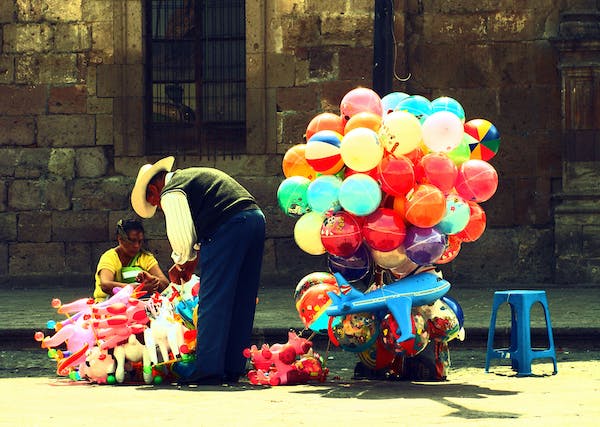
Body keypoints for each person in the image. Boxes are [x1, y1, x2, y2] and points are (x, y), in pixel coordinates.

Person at [130, 156, 266, 385]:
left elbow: (182, 236)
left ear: (154, 189)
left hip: (228, 226)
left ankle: (208, 369)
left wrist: (181, 261)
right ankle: (232, 366)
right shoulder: (192, 179)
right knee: (242, 298)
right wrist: (191, 260)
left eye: (155, 203)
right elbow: (200, 232)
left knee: (213, 300)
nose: (160, 207)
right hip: (253, 219)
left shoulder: (171, 190)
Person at [93, 219, 169, 302]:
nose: (136, 246)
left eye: (140, 241)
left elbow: (165, 285)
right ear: (120, 239)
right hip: (107, 305)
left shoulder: (145, 257)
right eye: (132, 241)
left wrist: (153, 280)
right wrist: (139, 288)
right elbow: (105, 285)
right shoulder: (109, 257)